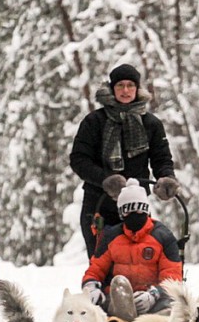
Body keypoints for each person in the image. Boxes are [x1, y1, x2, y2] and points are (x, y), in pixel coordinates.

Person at [70, 63, 181, 257]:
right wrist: (106, 180)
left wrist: (166, 179)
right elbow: (79, 160)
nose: (126, 90)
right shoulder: (94, 121)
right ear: (112, 89)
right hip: (98, 204)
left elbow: (161, 158)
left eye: (131, 85)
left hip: (136, 205)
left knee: (137, 262)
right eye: (120, 85)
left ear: (138, 89)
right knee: (102, 263)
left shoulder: (151, 124)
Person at [82, 178, 183, 321]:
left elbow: (172, 275)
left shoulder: (162, 236)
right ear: (122, 214)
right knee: (116, 288)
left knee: (171, 306)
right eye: (129, 211)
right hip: (118, 298)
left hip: (154, 298)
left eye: (139, 210)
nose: (135, 215)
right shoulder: (111, 237)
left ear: (146, 211)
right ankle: (125, 319)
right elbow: (96, 268)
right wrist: (91, 287)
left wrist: (154, 294)